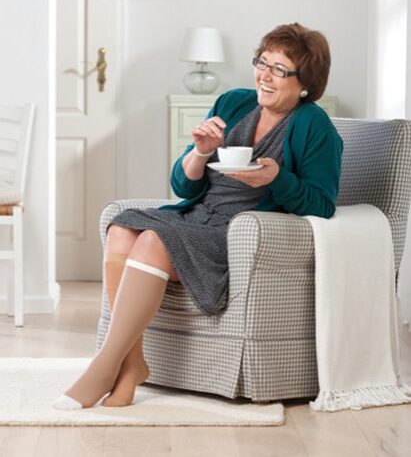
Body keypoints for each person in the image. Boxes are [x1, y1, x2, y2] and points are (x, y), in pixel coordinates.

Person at [53, 22, 343, 410]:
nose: (265, 75)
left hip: (238, 233)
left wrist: (278, 178)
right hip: (198, 216)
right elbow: (184, 187)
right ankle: (132, 365)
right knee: (122, 228)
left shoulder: (314, 125)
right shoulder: (233, 102)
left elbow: (322, 203)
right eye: (262, 62)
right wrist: (201, 151)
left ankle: (104, 367)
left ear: (305, 82)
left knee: (155, 240)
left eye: (279, 69)